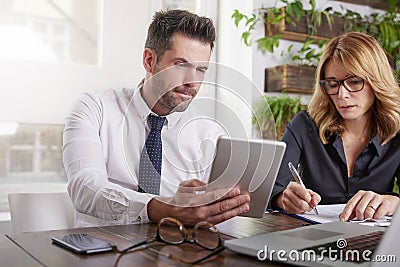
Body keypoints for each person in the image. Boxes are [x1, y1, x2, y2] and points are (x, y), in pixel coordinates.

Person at [63, 9, 250, 227]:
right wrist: (164, 208)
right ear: (150, 60)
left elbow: (215, 210)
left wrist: (278, 195)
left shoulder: (208, 133)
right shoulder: (94, 109)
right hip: (103, 250)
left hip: (176, 252)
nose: (192, 81)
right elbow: (85, 187)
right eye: (181, 65)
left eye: (201, 70)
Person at [270, 31, 400, 221]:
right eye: (332, 84)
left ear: (376, 81)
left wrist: (392, 202)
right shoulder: (304, 126)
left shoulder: (396, 131)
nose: (342, 95)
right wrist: (282, 198)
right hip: (309, 239)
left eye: (354, 82)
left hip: (375, 243)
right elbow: (270, 188)